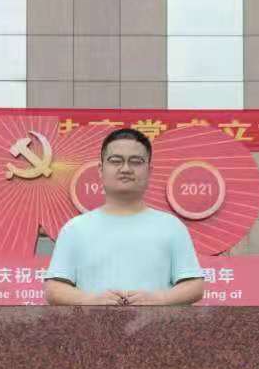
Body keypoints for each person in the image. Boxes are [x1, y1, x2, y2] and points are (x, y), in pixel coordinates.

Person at [44, 128, 207, 306]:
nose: (126, 169)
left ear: (149, 170)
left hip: (157, 324)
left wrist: (160, 299)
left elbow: (194, 286)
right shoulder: (75, 228)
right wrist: (90, 300)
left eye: (136, 162)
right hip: (92, 324)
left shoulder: (171, 226)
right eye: (116, 161)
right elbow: (54, 289)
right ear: (101, 170)